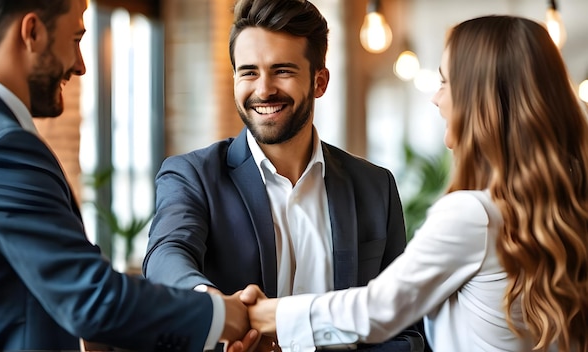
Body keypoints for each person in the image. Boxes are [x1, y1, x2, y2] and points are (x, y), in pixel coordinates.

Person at [239, 14, 588, 352]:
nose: (436, 98)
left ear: (481, 100)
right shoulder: (569, 198)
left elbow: (377, 310)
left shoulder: (473, 214)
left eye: (445, 82)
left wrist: (264, 314)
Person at [0, 0, 258, 351]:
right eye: (75, 39)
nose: (81, 65)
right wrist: (222, 315)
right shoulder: (3, 148)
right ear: (32, 33)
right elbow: (90, 298)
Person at [142, 0, 423, 351]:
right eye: (248, 72)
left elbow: (405, 327)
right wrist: (212, 306)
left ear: (319, 82)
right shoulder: (192, 175)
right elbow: (167, 254)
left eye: (282, 71)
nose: (263, 90)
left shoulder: (375, 187)